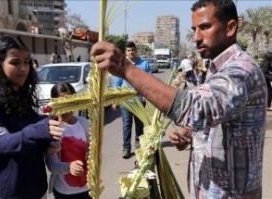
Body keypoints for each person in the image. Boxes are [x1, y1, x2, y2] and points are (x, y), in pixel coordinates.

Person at [91, 0, 266, 198]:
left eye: (205, 27)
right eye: (194, 29)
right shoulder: (216, 69)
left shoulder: (241, 70)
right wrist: (192, 133)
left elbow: (197, 108)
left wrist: (126, 68)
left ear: (230, 28)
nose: (196, 37)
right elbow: (218, 114)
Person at [0, 35, 63, 199]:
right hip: (7, 192)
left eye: (26, 61)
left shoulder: (20, 94)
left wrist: (46, 141)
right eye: (15, 62)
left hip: (36, 188)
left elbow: (27, 132)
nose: (23, 68)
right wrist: (40, 130)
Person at [45, 82, 91, 199]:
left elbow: (92, 148)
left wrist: (91, 156)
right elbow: (51, 164)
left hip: (89, 187)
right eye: (62, 103)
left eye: (70, 102)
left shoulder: (84, 123)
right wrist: (69, 167)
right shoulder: (52, 129)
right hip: (65, 193)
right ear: (54, 103)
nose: (67, 108)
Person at [112, 41, 151, 159]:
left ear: (136, 51)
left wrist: (146, 95)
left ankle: (139, 144)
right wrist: (115, 99)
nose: (131, 52)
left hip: (139, 100)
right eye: (128, 50)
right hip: (126, 101)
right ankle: (126, 148)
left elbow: (148, 81)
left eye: (133, 50)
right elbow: (117, 83)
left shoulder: (144, 64)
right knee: (126, 125)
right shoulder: (122, 65)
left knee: (139, 125)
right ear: (125, 52)